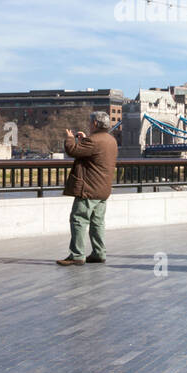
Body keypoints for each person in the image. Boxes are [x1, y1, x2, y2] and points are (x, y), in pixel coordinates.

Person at [57, 111, 119, 265]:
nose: (90, 124)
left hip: (89, 188)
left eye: (90, 122)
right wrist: (84, 140)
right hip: (103, 189)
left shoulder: (94, 140)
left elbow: (72, 151)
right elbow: (93, 153)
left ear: (95, 124)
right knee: (97, 222)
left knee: (78, 219)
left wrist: (70, 138)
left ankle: (77, 255)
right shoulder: (111, 140)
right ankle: (99, 253)